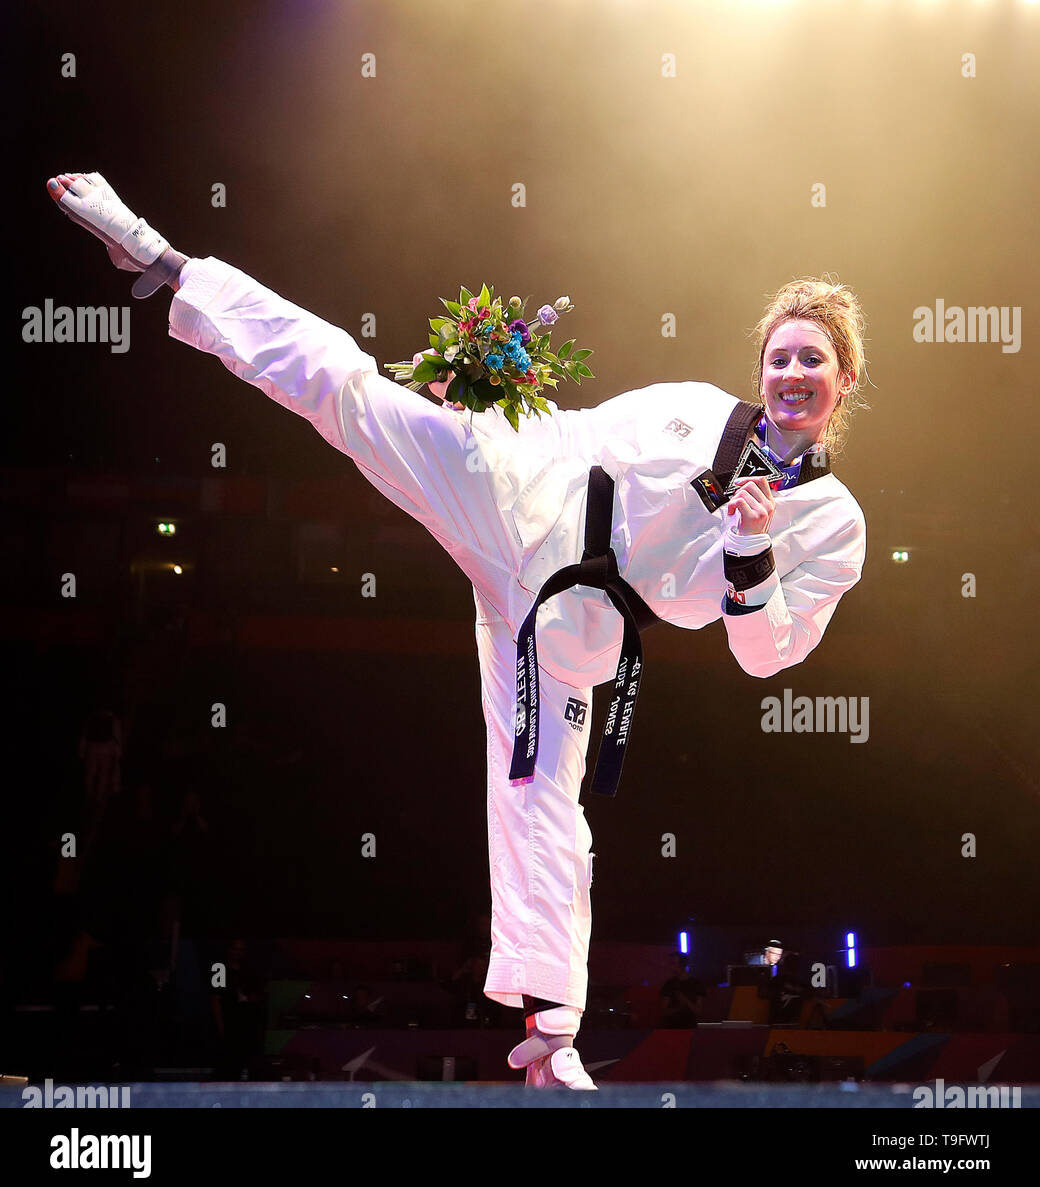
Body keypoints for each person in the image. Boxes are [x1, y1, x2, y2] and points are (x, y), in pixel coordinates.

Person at [46, 171, 868, 1089]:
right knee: (353, 395)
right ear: (761, 367)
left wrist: (753, 557)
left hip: (573, 625)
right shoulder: (689, 407)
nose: (793, 375)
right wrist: (475, 409)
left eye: (814, 361)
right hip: (520, 503)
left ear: (845, 382)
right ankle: (165, 262)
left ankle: (548, 1042)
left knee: (544, 798)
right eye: (782, 357)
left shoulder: (834, 524)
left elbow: (767, 657)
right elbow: (573, 435)